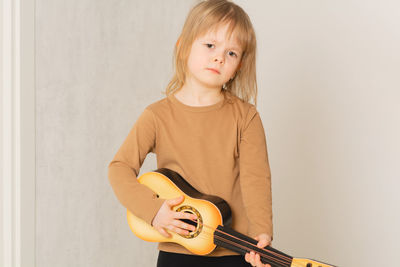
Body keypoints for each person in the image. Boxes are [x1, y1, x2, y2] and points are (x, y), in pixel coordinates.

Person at [108, 1, 273, 266]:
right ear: (183, 46)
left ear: (240, 65)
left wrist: (261, 234)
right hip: (177, 251)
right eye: (210, 45)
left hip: (235, 250)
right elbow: (119, 168)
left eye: (231, 53)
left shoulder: (246, 117)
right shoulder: (157, 116)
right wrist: (153, 210)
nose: (219, 57)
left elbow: (256, 181)